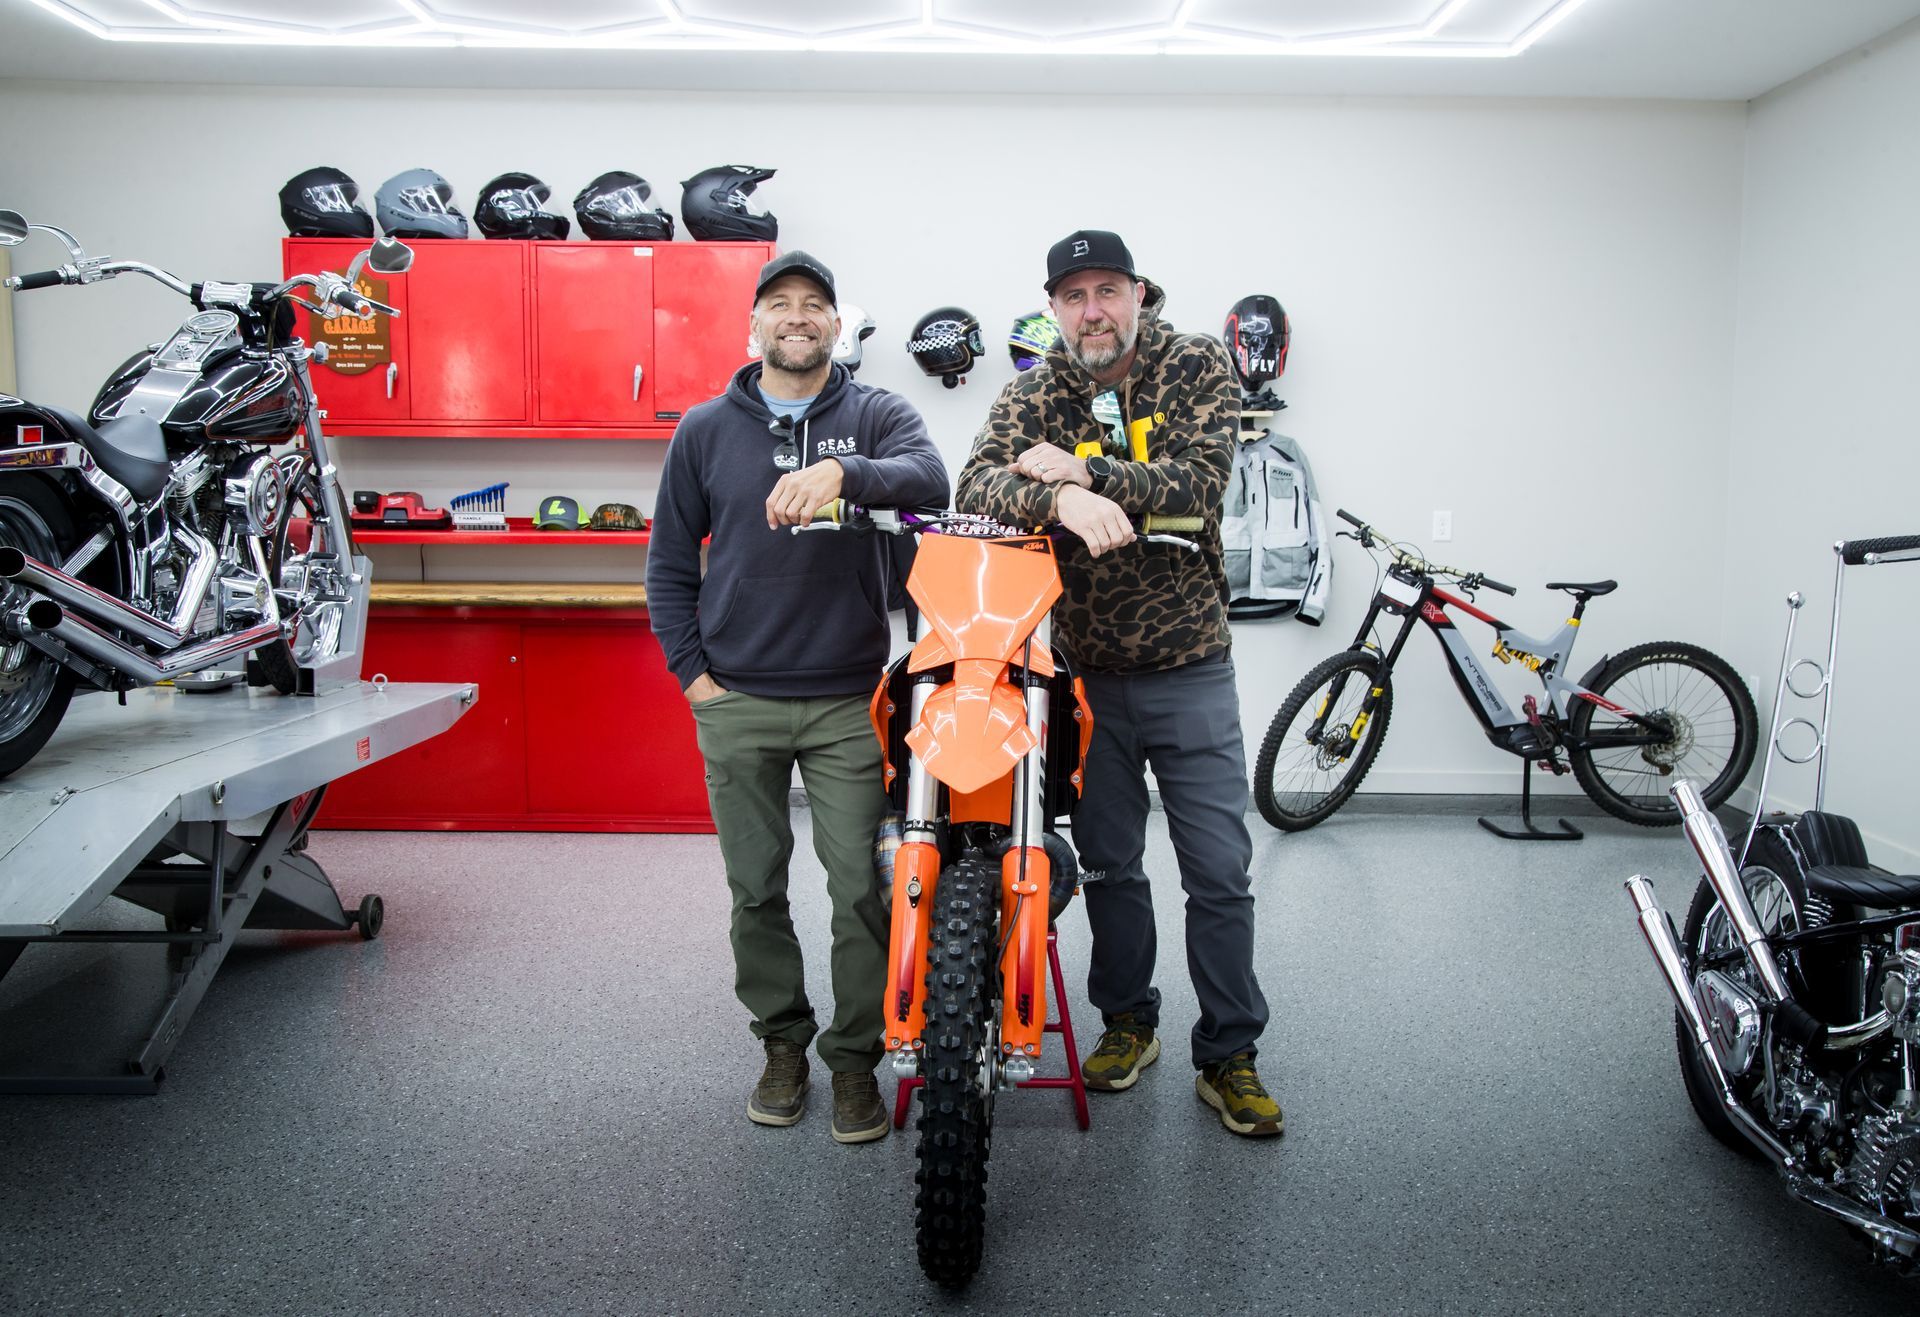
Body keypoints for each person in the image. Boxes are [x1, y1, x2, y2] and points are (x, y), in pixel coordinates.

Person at [954, 230, 1281, 1138]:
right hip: (1085, 674)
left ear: (1138, 293)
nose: (1091, 311)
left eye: (1107, 290)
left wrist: (1086, 468)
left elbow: (1202, 483)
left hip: (1190, 666)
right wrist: (1062, 499)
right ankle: (1128, 1021)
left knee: (1219, 870)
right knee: (1108, 864)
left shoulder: (1196, 364)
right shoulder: (1036, 389)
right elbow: (974, 484)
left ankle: (1230, 1053)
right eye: (1074, 296)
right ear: (1054, 307)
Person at [647, 251, 949, 1144]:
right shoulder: (705, 429)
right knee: (755, 890)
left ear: (834, 325)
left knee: (862, 892)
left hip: (849, 701)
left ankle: (852, 1059)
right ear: (755, 326)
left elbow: (929, 477)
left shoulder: (876, 413)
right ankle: (782, 1043)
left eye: (814, 304)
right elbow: (668, 566)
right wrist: (696, 679)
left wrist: (846, 474)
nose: (797, 316)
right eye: (779, 303)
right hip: (736, 696)